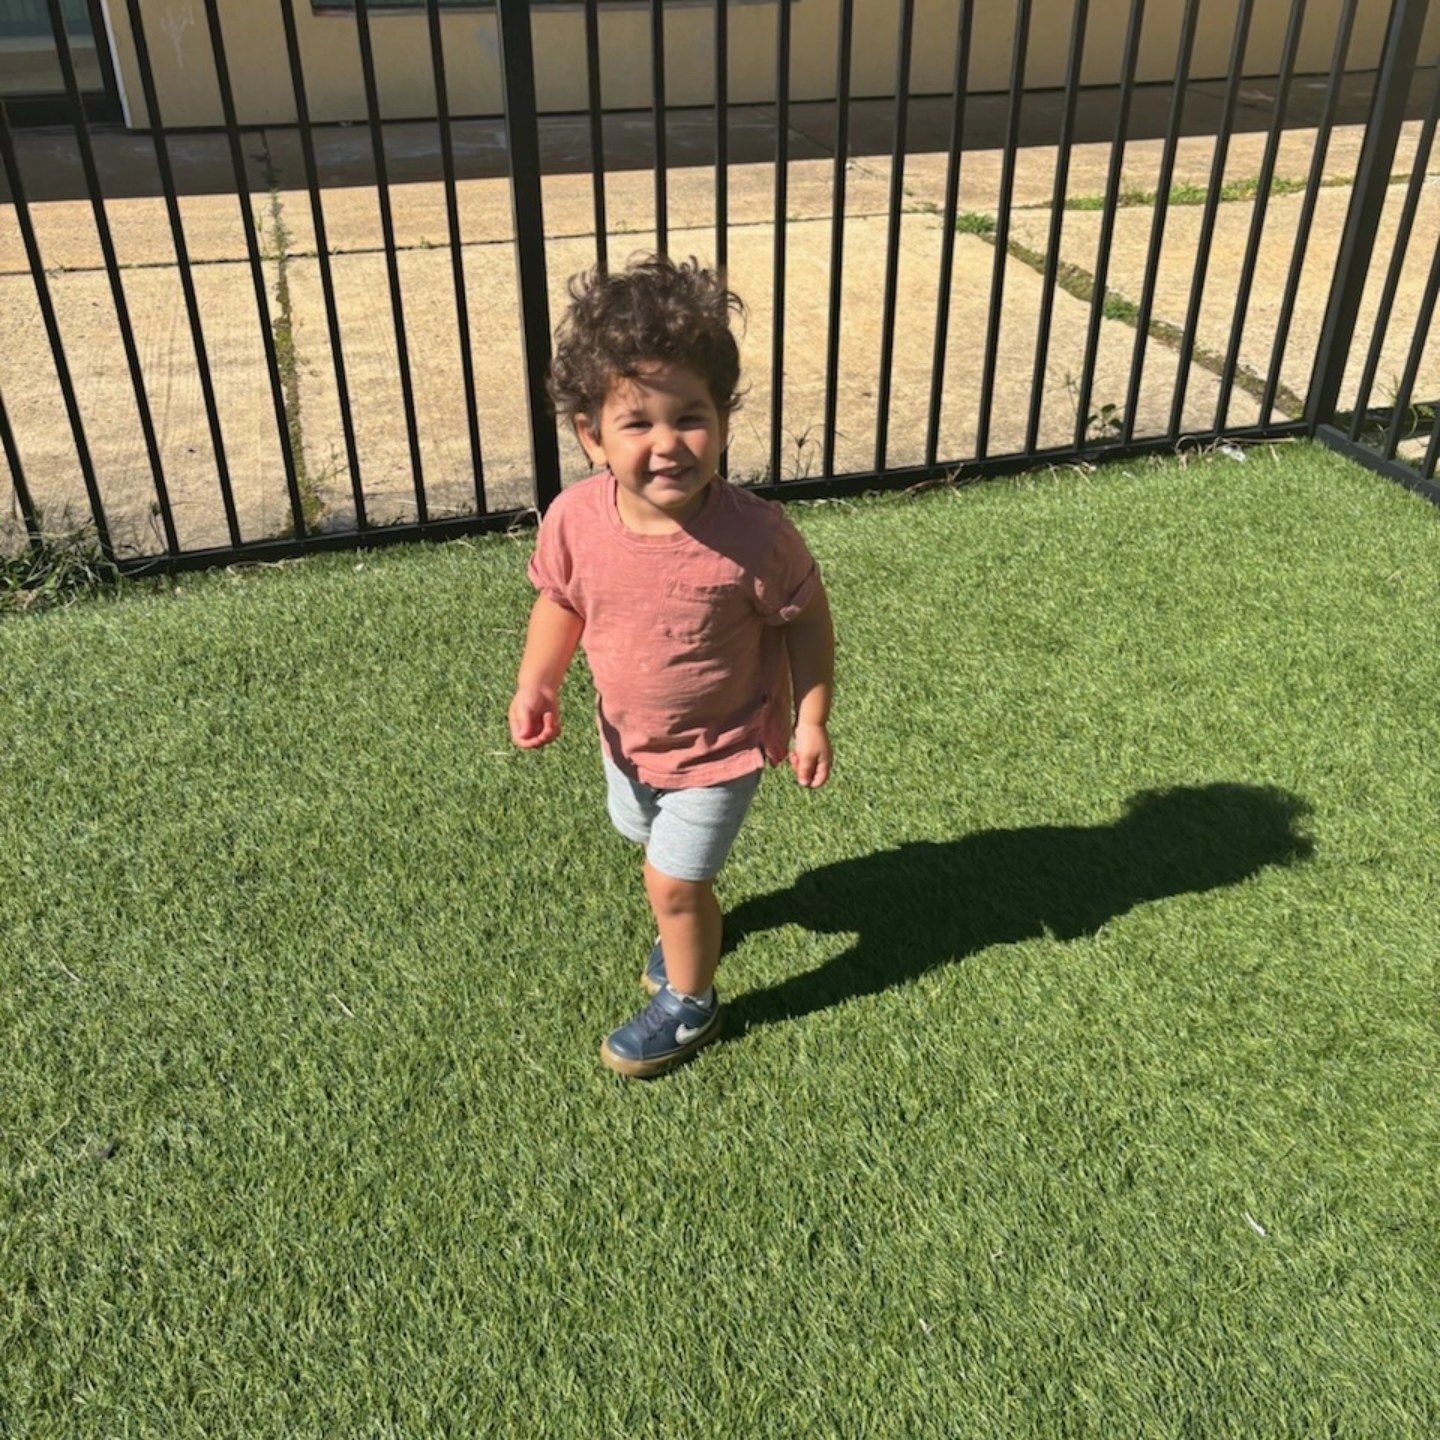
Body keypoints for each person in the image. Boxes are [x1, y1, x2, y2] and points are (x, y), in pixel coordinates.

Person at [508, 254, 836, 1079]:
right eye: (637, 423)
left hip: (721, 751)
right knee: (647, 845)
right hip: (629, 740)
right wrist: (538, 681)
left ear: (722, 418)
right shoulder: (575, 519)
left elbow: (805, 617)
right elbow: (561, 600)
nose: (667, 445)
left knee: (672, 882)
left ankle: (692, 1002)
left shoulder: (755, 536)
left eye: (690, 417)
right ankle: (688, 918)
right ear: (590, 434)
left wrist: (812, 717)